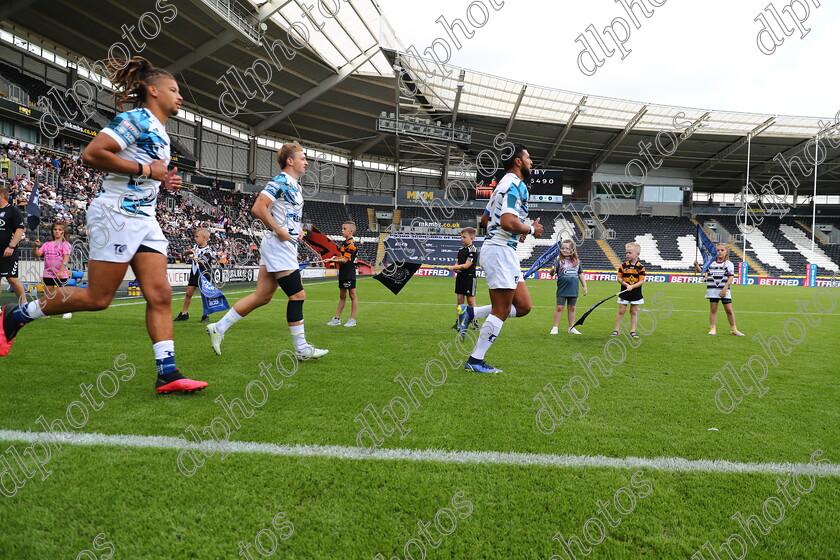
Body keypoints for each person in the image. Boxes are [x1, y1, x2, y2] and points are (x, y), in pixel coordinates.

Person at [0, 56, 208, 394]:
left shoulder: (160, 132)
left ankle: (167, 374)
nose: (179, 96)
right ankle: (17, 315)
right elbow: (93, 153)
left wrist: (160, 181)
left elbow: (143, 170)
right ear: (153, 91)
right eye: (174, 89)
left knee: (160, 293)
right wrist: (145, 172)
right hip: (116, 215)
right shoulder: (136, 118)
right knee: (98, 298)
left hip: (144, 218)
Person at [206, 142, 327, 360]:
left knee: (262, 297)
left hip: (282, 245)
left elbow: (289, 214)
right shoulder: (280, 181)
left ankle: (219, 328)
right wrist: (278, 229)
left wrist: (296, 229)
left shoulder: (295, 186)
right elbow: (258, 208)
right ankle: (301, 349)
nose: (306, 162)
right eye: (303, 158)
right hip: (278, 246)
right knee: (298, 295)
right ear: (290, 161)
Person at [457, 144, 543, 373]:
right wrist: (531, 230)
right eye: (528, 158)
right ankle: (475, 360)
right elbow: (506, 222)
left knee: (523, 306)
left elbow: (486, 220)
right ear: (518, 161)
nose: (531, 162)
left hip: (504, 249)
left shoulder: (499, 186)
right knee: (501, 310)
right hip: (500, 251)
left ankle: (471, 313)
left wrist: (518, 230)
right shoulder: (517, 184)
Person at [694, 243, 744, 336]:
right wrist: (696, 266)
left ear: (726, 252)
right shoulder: (710, 263)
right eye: (717, 250)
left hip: (724, 290)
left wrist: (725, 289)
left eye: (722, 250)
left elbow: (730, 277)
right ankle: (712, 328)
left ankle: (734, 329)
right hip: (712, 290)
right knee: (713, 309)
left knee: (729, 310)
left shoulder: (729, 264)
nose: (720, 252)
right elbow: (702, 271)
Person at [174, 227, 214, 323]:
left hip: (204, 273)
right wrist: (189, 252)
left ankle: (205, 315)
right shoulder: (195, 247)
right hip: (194, 272)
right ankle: (184, 313)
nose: (195, 239)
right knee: (188, 293)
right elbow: (185, 253)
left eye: (197, 237)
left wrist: (198, 260)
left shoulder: (208, 250)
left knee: (204, 295)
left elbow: (203, 262)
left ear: (204, 237)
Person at [33, 223, 73, 319]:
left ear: (63, 232)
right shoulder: (47, 244)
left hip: (60, 274)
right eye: (55, 229)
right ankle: (48, 311)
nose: (57, 231)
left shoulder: (66, 244)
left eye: (59, 229)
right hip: (48, 273)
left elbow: (66, 259)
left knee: (62, 294)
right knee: (48, 294)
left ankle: (67, 311)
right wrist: (35, 246)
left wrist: (60, 271)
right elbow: (37, 254)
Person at [549, 239, 588, 335]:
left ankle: (571, 327)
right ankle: (555, 327)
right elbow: (551, 274)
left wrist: (585, 286)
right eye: (562, 248)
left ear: (572, 249)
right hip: (562, 288)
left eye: (567, 248)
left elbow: (580, 274)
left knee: (572, 308)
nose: (564, 250)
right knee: (559, 307)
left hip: (573, 289)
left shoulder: (577, 261)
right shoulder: (558, 261)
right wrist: (552, 271)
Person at [446, 227, 480, 331]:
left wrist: (453, 268)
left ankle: (475, 322)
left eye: (464, 237)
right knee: (460, 300)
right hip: (460, 277)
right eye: (461, 237)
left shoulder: (473, 250)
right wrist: (455, 268)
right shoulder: (461, 250)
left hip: (469, 278)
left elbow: (466, 265)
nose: (462, 239)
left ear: (472, 238)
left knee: (471, 301)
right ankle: (459, 322)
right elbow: (458, 263)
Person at [326, 221, 359, 327]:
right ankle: (337, 318)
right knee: (342, 296)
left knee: (352, 295)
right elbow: (342, 258)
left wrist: (333, 261)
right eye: (342, 228)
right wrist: (335, 258)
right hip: (343, 272)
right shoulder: (345, 243)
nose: (342, 230)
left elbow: (345, 260)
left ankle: (352, 319)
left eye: (344, 229)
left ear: (351, 231)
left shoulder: (351, 245)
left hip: (349, 272)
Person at [611, 242, 646, 338]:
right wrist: (626, 284)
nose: (627, 255)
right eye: (626, 252)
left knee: (634, 311)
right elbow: (619, 278)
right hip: (624, 291)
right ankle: (616, 330)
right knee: (621, 311)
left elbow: (641, 281)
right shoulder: (623, 266)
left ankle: (633, 331)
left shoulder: (641, 268)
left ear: (637, 254)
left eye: (630, 253)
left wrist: (632, 286)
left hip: (636, 292)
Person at [0, 186, 25, 305]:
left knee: (12, 278)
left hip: (9, 250)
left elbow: (20, 230)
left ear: (1, 196)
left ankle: (24, 303)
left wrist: (11, 246)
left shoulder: (13, 211)